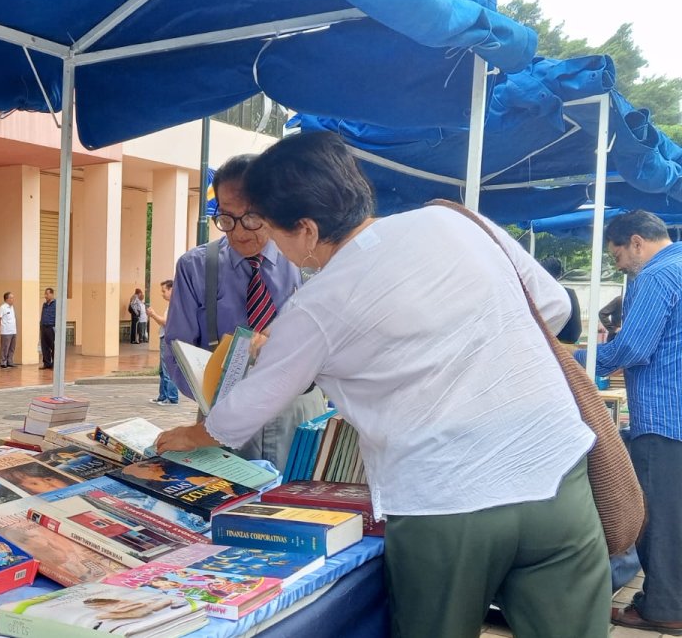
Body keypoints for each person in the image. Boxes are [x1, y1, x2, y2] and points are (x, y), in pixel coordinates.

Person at [156, 133, 609, 638]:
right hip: (557, 474)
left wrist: (195, 435)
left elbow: (247, 407)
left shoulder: (317, 304)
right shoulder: (456, 221)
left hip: (444, 500)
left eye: (271, 227)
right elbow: (556, 311)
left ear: (306, 230)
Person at [160, 154, 325, 468]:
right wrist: (211, 397)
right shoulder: (195, 267)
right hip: (220, 416)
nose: (237, 231)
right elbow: (175, 348)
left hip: (298, 413)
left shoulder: (310, 263)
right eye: (226, 218)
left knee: (296, 503)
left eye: (251, 217)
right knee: (221, 507)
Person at [574, 210, 682, 634]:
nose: (618, 264)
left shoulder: (655, 277)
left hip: (661, 418)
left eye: (616, 253)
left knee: (655, 518)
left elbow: (634, 347)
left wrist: (575, 360)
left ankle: (663, 608)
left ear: (636, 242)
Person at [146, 280, 179, 405]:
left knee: (168, 369)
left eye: (164, 291)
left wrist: (153, 315)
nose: (162, 294)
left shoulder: (174, 305)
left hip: (168, 338)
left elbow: (166, 322)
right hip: (164, 338)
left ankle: (171, 397)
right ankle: (163, 396)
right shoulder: (171, 305)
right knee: (162, 370)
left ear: (171, 290)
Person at [540, 256, 582, 343]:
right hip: (564, 347)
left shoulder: (533, 294)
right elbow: (576, 329)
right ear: (560, 274)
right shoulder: (569, 294)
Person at [0, 291, 17, 368]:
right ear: (6, 299)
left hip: (13, 331)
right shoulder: (2, 307)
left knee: (12, 347)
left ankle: (10, 361)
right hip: (6, 331)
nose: (13, 299)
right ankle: (3, 362)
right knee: (5, 347)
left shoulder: (12, 307)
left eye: (13, 298)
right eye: (11, 298)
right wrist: (0, 328)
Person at [40, 287, 56, 370]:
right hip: (43, 327)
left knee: (53, 346)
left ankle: (54, 364)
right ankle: (47, 363)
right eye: (45, 294)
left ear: (52, 294)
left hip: (51, 327)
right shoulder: (45, 304)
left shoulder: (56, 304)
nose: (45, 296)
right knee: (44, 346)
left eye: (47, 294)